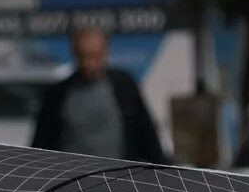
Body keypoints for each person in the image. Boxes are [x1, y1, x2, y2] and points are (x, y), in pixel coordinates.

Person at [30, 26, 167, 164]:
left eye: (95, 55)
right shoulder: (58, 94)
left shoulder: (124, 86)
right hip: (73, 177)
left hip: (118, 175)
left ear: (105, 52)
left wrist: (164, 171)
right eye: (84, 56)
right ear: (75, 54)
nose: (89, 63)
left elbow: (146, 133)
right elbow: (42, 143)